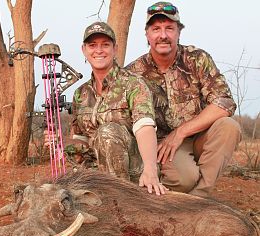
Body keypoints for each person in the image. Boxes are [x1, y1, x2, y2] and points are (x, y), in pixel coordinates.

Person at [126, 2, 241, 198]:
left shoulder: (197, 59)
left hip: (198, 137)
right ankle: (170, 194)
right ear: (147, 35)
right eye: (156, 29)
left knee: (229, 126)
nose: (163, 35)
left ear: (179, 32)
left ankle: (199, 198)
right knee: (184, 179)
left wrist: (181, 132)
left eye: (169, 28)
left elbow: (225, 103)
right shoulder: (133, 72)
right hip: (162, 146)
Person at [65, 21, 168, 195]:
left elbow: (144, 127)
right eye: (92, 45)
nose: (99, 50)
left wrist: (150, 169)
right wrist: (60, 142)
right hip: (96, 171)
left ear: (115, 49)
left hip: (132, 170)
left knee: (108, 131)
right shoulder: (80, 93)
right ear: (84, 50)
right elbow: (81, 140)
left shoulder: (134, 84)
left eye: (105, 45)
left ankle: (121, 200)